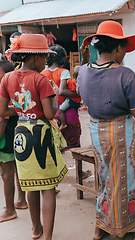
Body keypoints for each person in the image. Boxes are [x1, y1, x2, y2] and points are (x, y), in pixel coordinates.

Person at [77, 20, 135, 240]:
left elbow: (83, 96)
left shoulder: (83, 72)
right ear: (117, 47)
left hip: (96, 131)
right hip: (120, 134)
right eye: (124, 47)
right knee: (123, 181)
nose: (124, 52)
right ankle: (121, 231)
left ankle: (100, 227)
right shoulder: (126, 75)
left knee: (104, 177)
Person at [0, 34, 68, 240]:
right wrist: (54, 98)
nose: (45, 62)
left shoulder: (7, 78)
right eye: (43, 58)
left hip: (20, 133)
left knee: (30, 184)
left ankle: (36, 229)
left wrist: (23, 109)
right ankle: (47, 235)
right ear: (35, 57)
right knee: (47, 187)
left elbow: (3, 110)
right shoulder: (41, 80)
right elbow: (49, 114)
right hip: (40, 134)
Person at [0, 60, 27, 223]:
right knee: (18, 170)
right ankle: (21, 201)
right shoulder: (17, 90)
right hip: (17, 135)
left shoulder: (5, 93)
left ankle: (9, 209)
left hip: (6, 137)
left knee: (6, 174)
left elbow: (3, 120)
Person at [42, 45, 82, 151]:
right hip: (65, 109)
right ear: (62, 58)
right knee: (72, 146)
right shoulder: (63, 72)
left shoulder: (43, 73)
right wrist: (79, 94)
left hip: (49, 108)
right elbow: (63, 91)